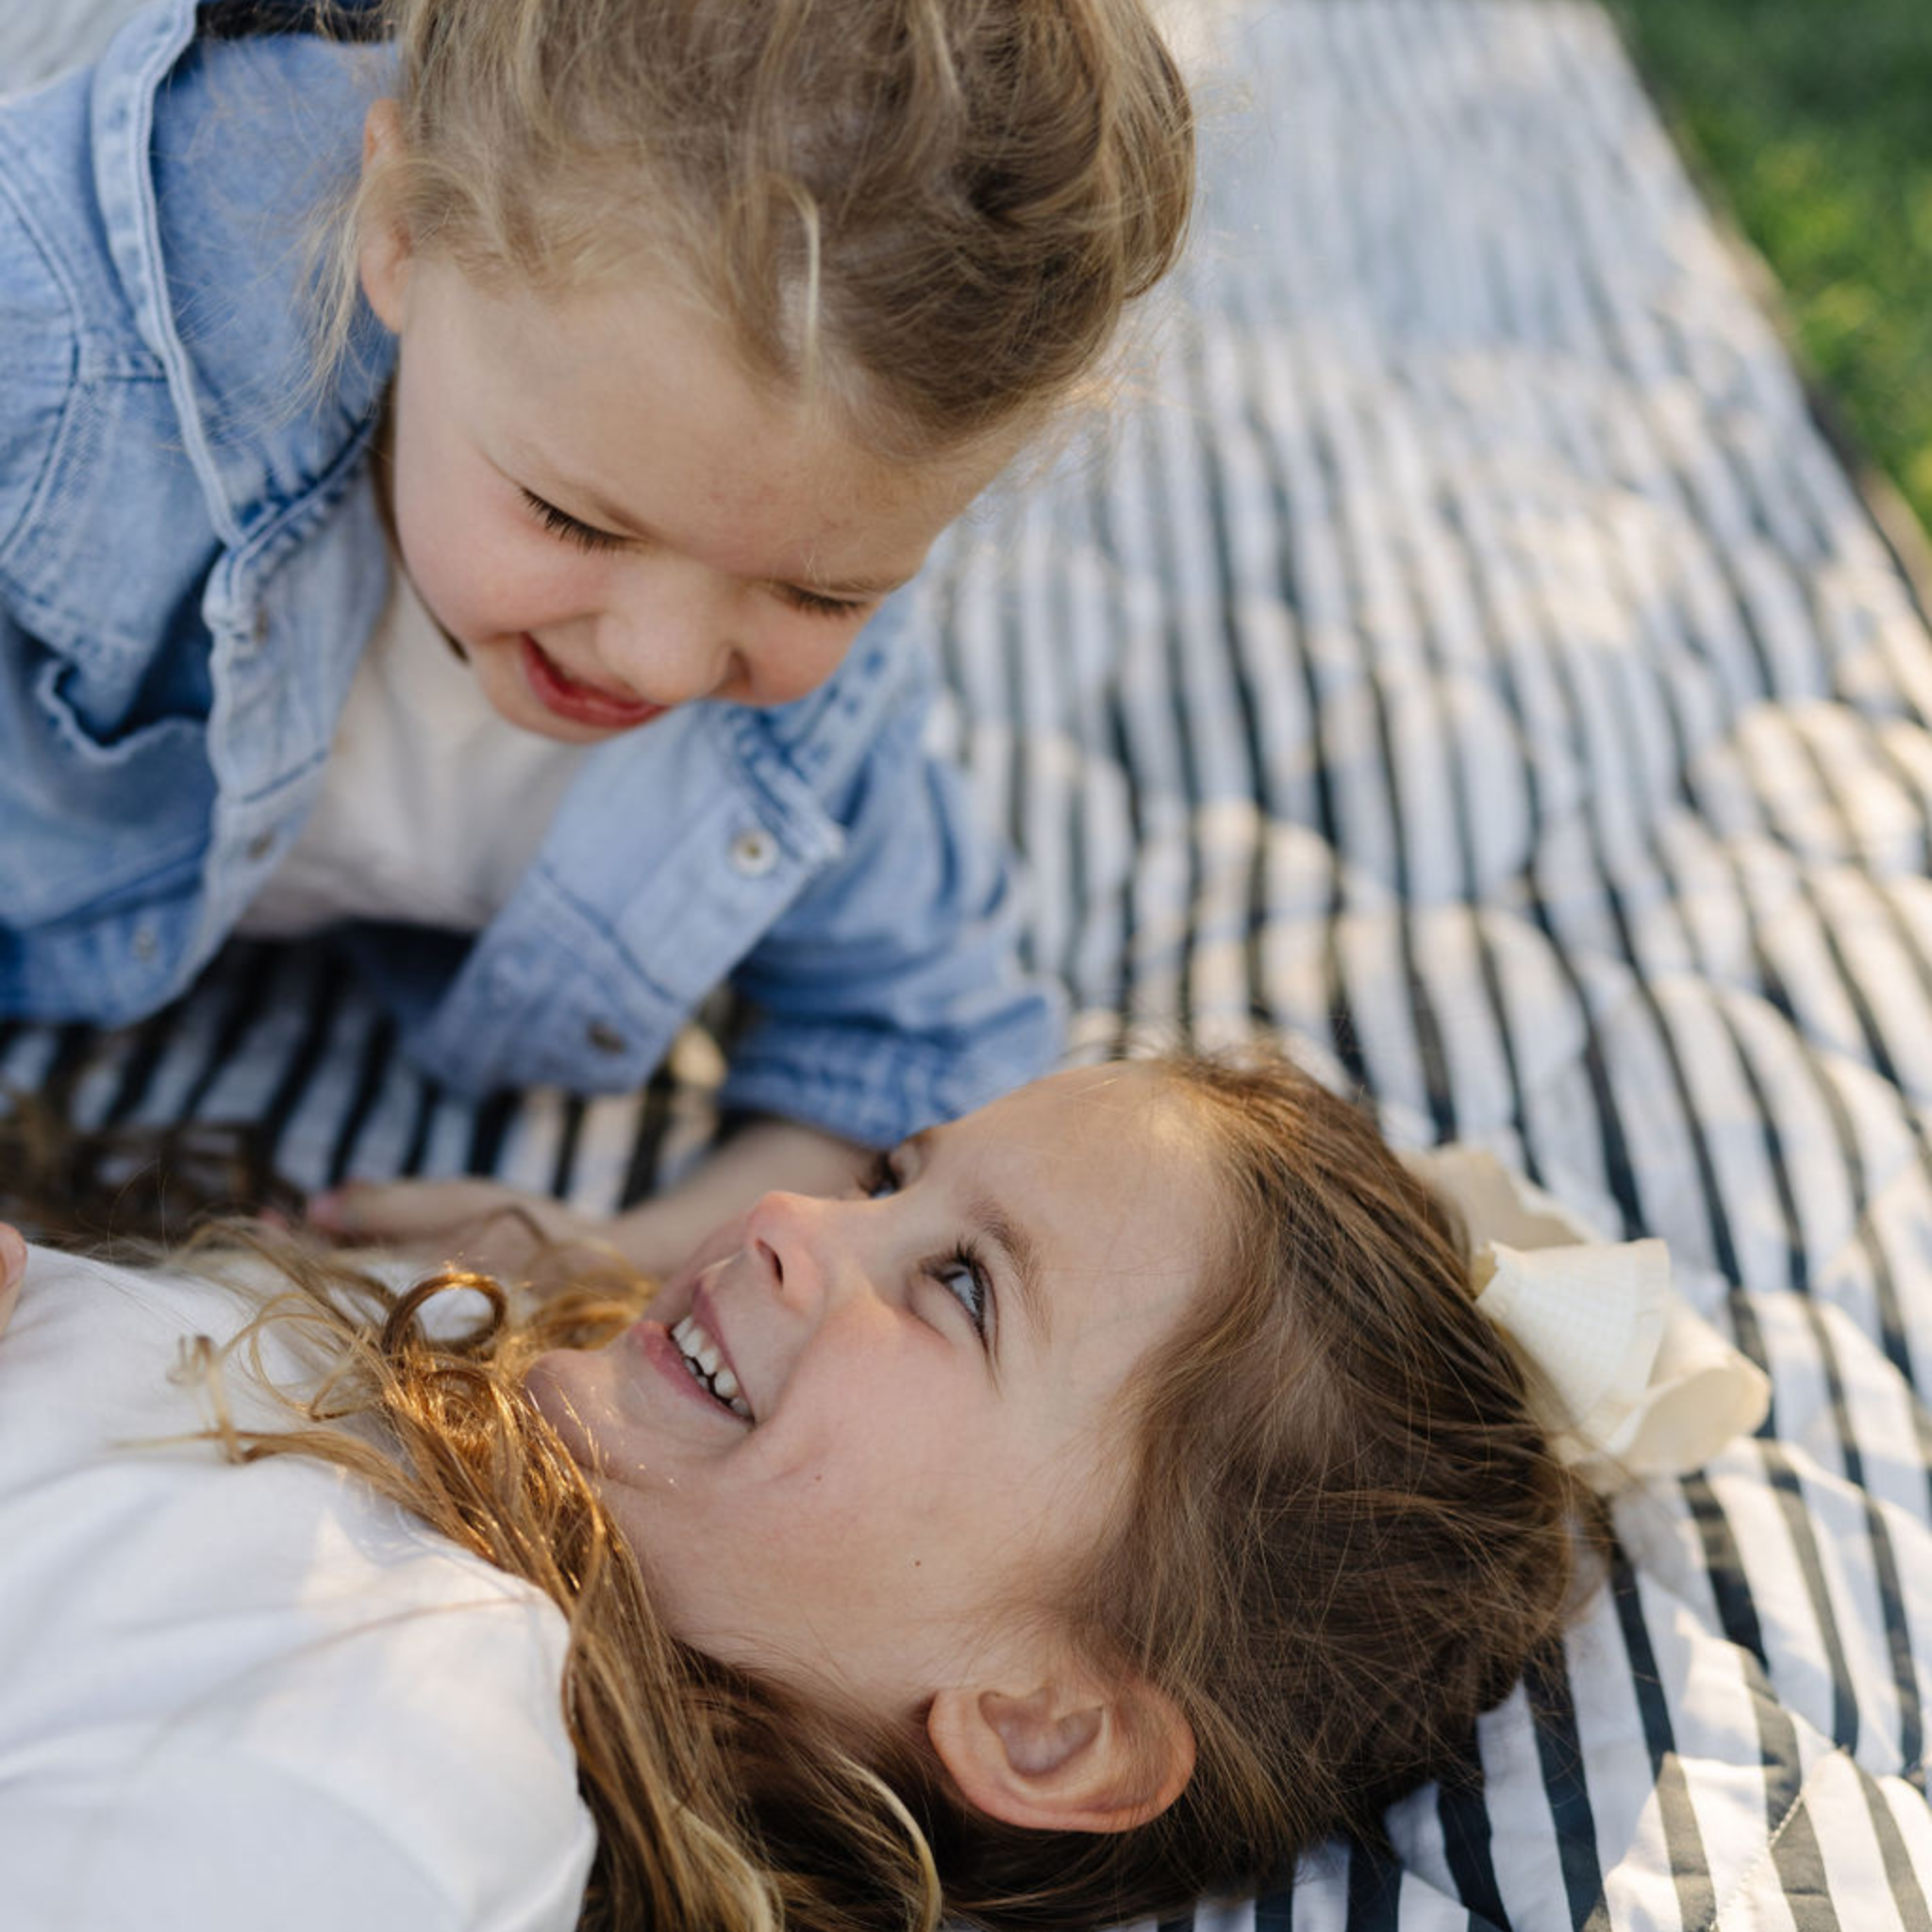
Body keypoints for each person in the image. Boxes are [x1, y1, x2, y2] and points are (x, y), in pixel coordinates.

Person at [0, 1050, 1768, 1932]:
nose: (783, 1221)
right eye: (894, 1181)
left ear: (1048, 1721)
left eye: (963, 1288)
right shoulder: (495, 1436)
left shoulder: (413, 1775)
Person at [0, 0, 1196, 1274]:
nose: (664, 666)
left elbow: (923, 1062)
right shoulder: (70, 353)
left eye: (822, 596)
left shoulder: (821, 721)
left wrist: (615, 1256)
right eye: (573, 520)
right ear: (398, 232)